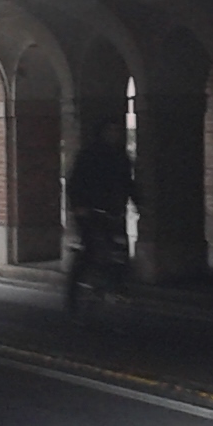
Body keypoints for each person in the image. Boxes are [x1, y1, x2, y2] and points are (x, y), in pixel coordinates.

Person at [64, 118, 137, 311]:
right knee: (90, 249)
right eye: (110, 131)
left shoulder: (121, 157)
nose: (114, 135)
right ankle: (74, 293)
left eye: (116, 131)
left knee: (119, 249)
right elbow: (75, 183)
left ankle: (119, 285)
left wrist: (139, 203)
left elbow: (128, 183)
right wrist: (78, 207)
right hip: (89, 210)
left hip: (113, 210)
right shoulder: (88, 155)